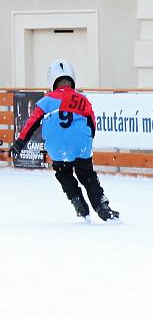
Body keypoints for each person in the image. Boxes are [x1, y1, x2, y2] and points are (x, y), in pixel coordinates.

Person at [9, 59, 119, 222]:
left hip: (57, 146)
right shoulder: (82, 99)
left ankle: (78, 202)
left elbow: (31, 124)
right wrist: (87, 141)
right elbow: (92, 123)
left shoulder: (45, 101)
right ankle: (102, 207)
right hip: (80, 144)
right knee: (87, 176)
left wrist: (19, 144)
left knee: (63, 173)